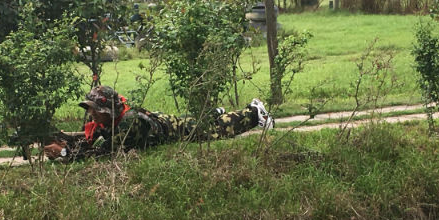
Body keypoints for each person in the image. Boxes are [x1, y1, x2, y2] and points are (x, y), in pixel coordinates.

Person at [43, 85, 274, 161]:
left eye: (95, 110)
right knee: (197, 121)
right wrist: (64, 141)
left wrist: (64, 153)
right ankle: (214, 112)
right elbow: (90, 140)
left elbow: (103, 153)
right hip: (160, 122)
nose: (91, 114)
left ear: (107, 111)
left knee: (214, 131)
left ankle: (254, 113)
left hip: (170, 131)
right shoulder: (109, 121)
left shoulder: (128, 125)